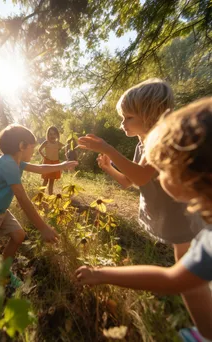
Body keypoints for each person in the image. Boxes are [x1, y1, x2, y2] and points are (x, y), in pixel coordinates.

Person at [76, 79, 211, 339]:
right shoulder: (143, 142)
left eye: (128, 117)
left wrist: (108, 148)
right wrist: (109, 168)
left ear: (149, 115)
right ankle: (205, 325)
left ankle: (206, 330)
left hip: (181, 215)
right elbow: (129, 181)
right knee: (189, 269)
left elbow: (140, 177)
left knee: (187, 277)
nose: (122, 123)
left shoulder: (159, 140)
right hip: (174, 212)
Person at [0, 124, 77, 263]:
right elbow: (22, 198)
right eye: (32, 147)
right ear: (22, 146)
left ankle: (3, 271)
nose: (34, 151)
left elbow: (40, 168)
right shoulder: (8, 163)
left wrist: (61, 165)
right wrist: (43, 228)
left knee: (18, 236)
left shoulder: (16, 161)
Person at [38, 126, 64, 194]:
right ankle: (40, 196)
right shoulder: (46, 142)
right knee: (45, 181)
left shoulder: (58, 143)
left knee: (51, 182)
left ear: (57, 135)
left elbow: (65, 147)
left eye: (54, 134)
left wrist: (71, 143)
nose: (52, 136)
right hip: (48, 162)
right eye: (50, 134)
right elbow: (39, 150)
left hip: (55, 163)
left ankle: (50, 196)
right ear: (48, 135)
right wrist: (44, 157)